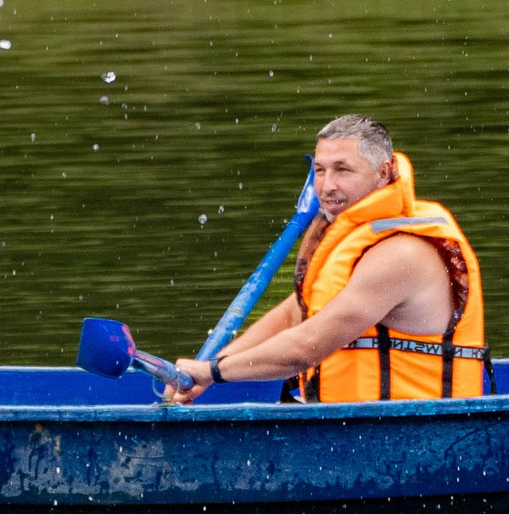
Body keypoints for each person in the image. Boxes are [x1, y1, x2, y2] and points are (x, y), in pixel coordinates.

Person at [164, 115, 487, 402]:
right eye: (320, 171)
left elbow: (307, 346)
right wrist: (211, 367)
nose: (327, 186)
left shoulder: (402, 253)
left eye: (343, 170)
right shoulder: (350, 238)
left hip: (410, 434)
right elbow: (294, 315)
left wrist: (215, 371)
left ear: (384, 173)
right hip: (348, 425)